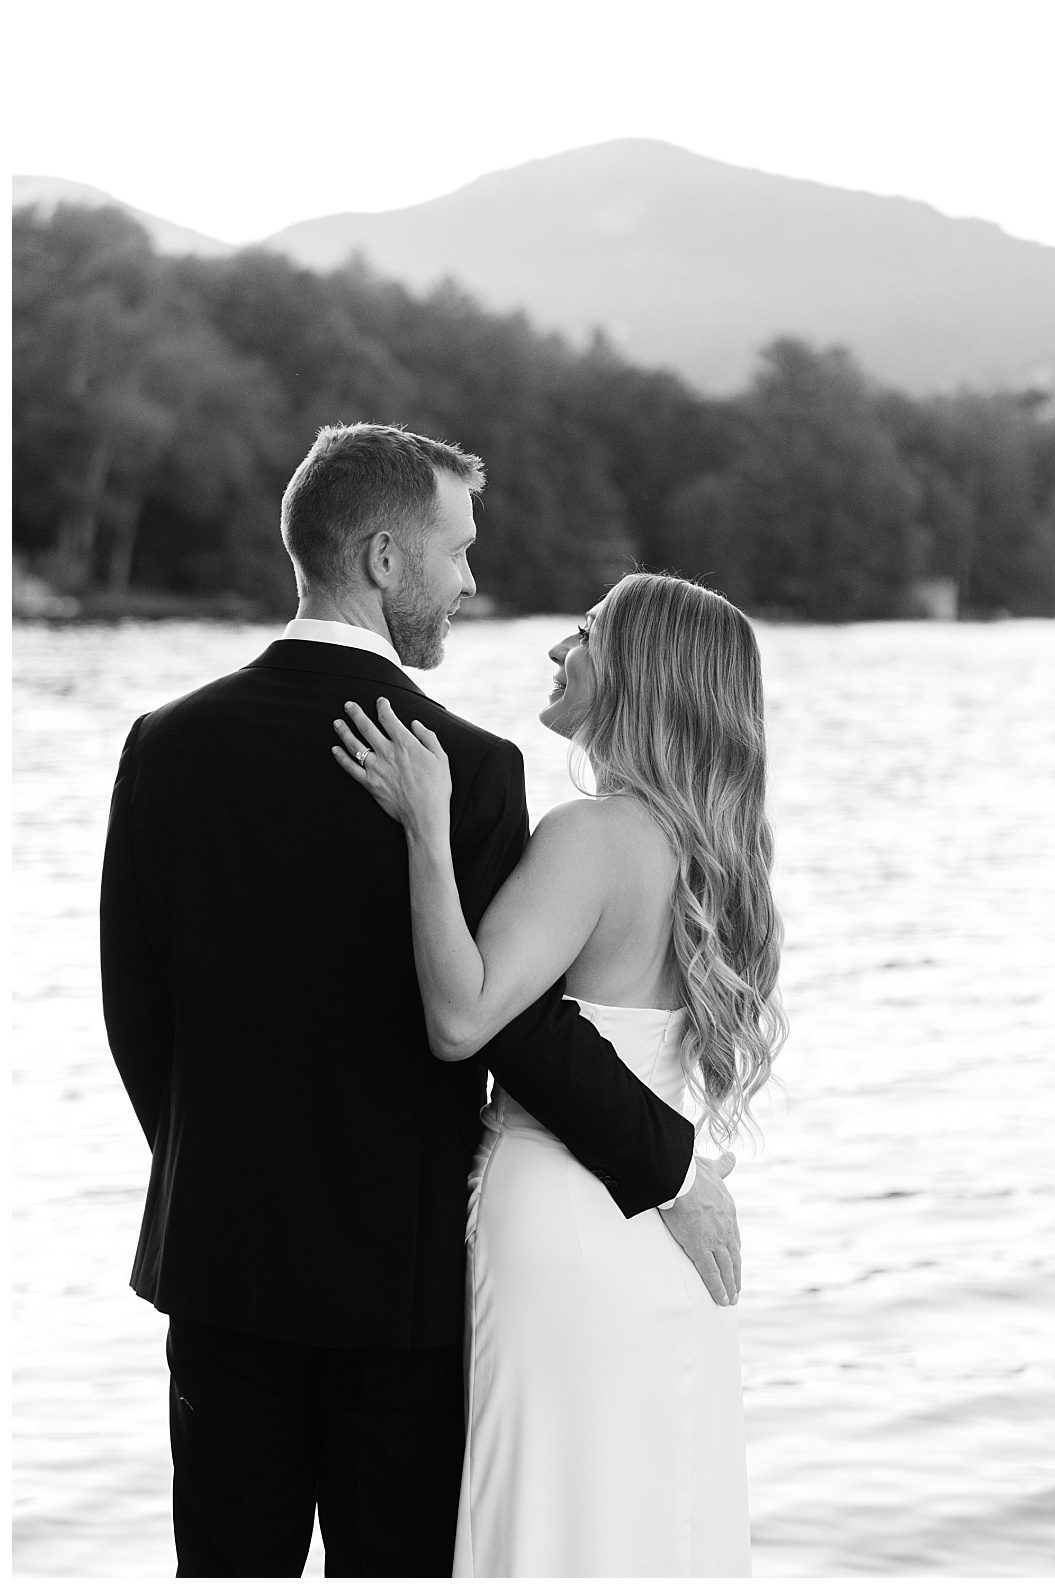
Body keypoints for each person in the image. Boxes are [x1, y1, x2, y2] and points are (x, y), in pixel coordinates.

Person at [100, 422, 737, 1575]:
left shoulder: (167, 744)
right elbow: (520, 1028)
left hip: (222, 1264)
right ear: (387, 560)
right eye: (456, 553)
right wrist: (670, 1170)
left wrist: (225, 1169)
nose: (471, 581)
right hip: (402, 1287)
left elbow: (136, 1009)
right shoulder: (470, 764)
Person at [334, 568, 781, 1575]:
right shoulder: (710, 847)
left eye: (583, 634)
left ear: (639, 673)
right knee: (649, 1522)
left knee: (550, 1519)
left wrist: (427, 829)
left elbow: (460, 1019)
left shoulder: (591, 838)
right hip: (658, 1243)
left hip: (562, 1222)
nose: (556, 651)